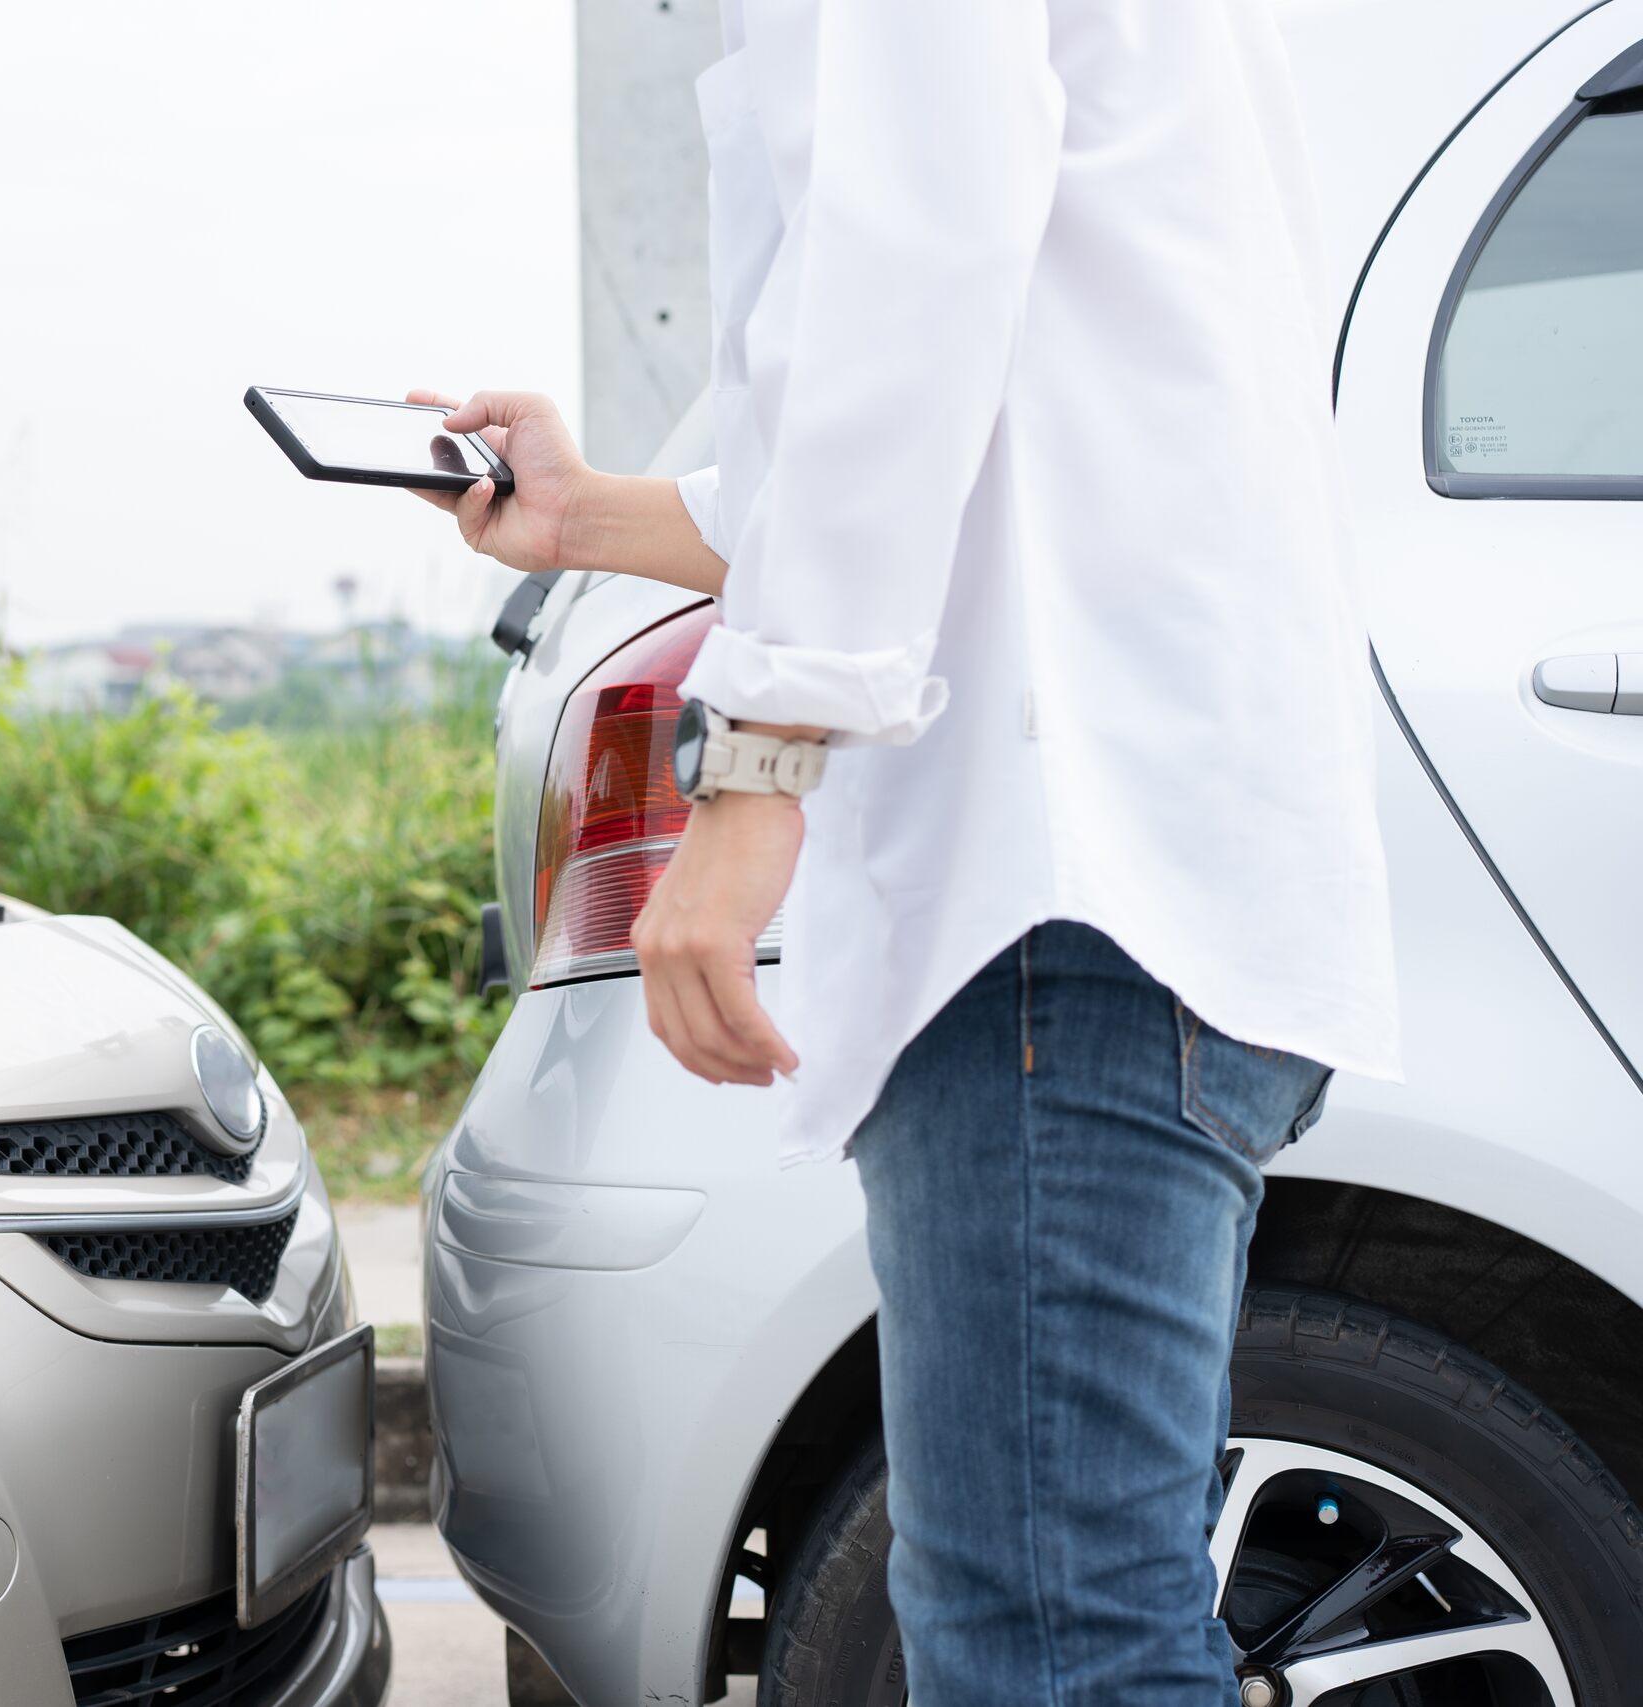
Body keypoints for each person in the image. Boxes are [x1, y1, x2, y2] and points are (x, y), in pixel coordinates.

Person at [408, 0, 1401, 1700]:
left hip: (1051, 903)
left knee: (1054, 1647)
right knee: (1075, 1614)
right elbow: (1004, 366)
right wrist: (595, 520)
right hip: (1134, 883)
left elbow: (907, 267)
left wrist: (760, 764)